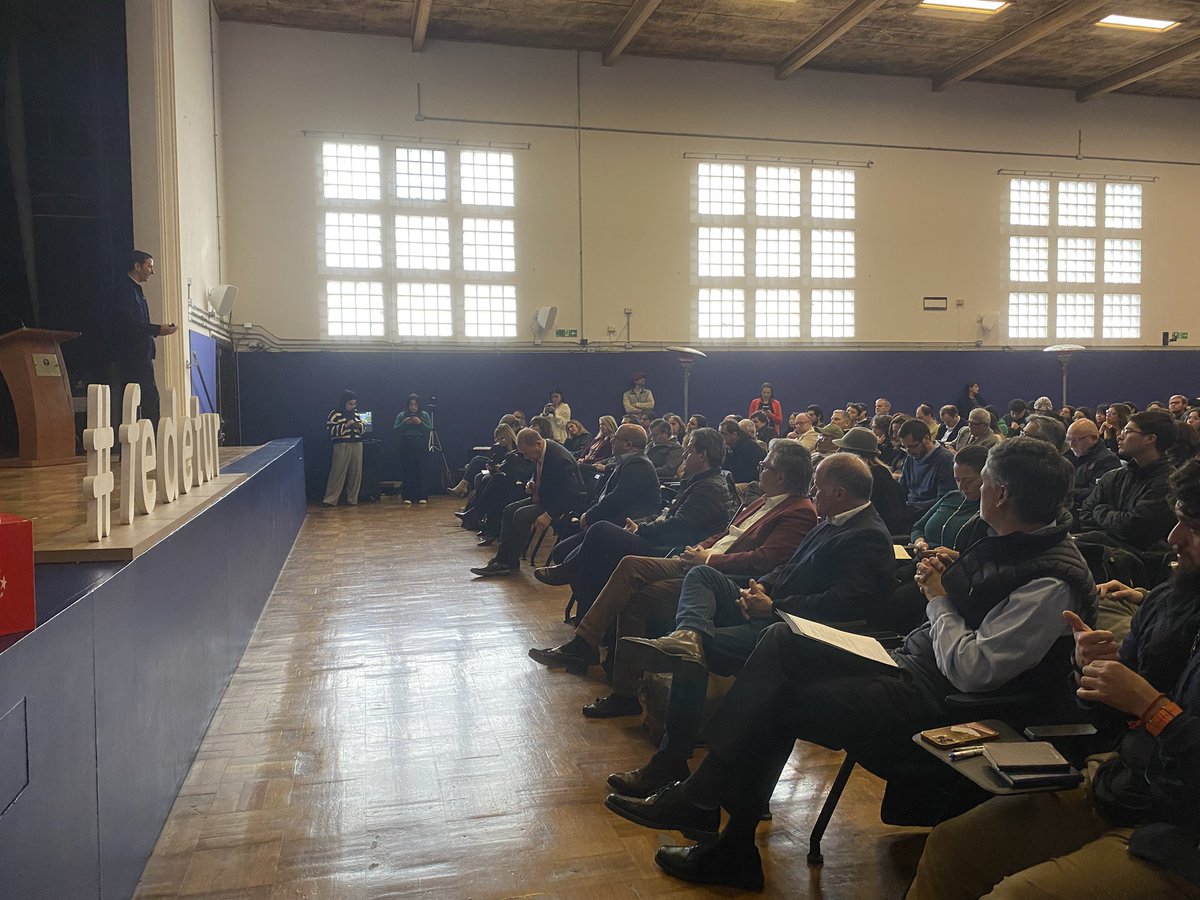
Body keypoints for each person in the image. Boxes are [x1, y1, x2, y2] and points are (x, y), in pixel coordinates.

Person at [605, 438, 1097, 891]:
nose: (977, 489)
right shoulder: (1003, 542)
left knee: (779, 692)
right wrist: (952, 580)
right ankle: (711, 816)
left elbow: (975, 670)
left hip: (949, 703)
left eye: (984, 481)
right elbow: (978, 609)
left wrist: (939, 598)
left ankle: (713, 818)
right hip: (911, 665)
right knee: (782, 642)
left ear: (1002, 494)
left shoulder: (1050, 581)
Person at [906, 459, 1200, 900]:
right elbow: (1107, 719)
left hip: (1182, 829)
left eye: (1192, 527)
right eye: (1178, 521)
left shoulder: (1060, 575)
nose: (1174, 538)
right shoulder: (1169, 601)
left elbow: (1155, 718)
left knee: (1016, 895)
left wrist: (1153, 709)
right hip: (1125, 782)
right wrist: (1092, 671)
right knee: (952, 846)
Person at [603, 454, 892, 796]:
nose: (813, 491)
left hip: (796, 632)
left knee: (693, 656)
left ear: (840, 493)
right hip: (771, 609)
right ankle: (687, 634)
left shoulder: (868, 535)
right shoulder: (831, 521)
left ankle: (671, 760)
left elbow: (844, 604)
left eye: (818, 486)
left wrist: (774, 606)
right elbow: (789, 567)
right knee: (703, 574)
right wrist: (763, 587)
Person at [528, 440, 818, 678]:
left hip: (719, 576)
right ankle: (587, 645)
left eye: (764, 466)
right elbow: (725, 534)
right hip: (695, 557)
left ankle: (612, 672)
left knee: (613, 550)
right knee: (625, 561)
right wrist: (700, 549)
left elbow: (764, 559)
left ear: (781, 476)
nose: (760, 470)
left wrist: (708, 560)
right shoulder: (762, 500)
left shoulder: (799, 510)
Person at [530, 429, 734, 616]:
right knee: (592, 554)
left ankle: (573, 580)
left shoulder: (708, 487)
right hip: (658, 536)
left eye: (688, 450)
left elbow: (678, 527)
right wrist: (640, 525)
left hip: (668, 548)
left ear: (702, 455)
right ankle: (585, 609)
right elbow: (664, 514)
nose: (684, 454)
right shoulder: (698, 481)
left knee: (600, 532)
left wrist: (642, 529)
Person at [470, 428, 585, 577]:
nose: (525, 457)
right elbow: (538, 472)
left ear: (538, 444)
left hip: (559, 504)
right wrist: (532, 481)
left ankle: (510, 562)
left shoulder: (559, 459)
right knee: (509, 510)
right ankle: (502, 559)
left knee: (521, 515)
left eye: (525, 452)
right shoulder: (541, 451)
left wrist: (549, 515)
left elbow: (571, 493)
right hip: (545, 497)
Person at [1078, 409, 1178, 552]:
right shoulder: (1114, 476)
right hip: (1104, 551)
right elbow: (1085, 514)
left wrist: (1100, 510)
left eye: (1128, 431)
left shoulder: (1169, 483)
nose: (1120, 436)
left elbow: (1134, 527)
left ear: (1150, 439)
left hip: (1142, 560)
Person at [109, 250, 176, 429]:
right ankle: (149, 439)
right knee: (144, 400)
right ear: (137, 266)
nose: (152, 271)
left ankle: (150, 438)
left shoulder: (136, 290)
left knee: (149, 399)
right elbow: (126, 322)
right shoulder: (124, 290)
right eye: (149, 266)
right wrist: (156, 329)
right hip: (132, 356)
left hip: (141, 355)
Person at [832, 426, 909, 535]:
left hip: (874, 535)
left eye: (842, 449)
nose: (837, 452)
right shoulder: (873, 473)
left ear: (854, 454)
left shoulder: (875, 476)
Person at [898, 418, 956, 519]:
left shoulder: (946, 460)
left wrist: (910, 507)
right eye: (905, 447)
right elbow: (901, 489)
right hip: (909, 510)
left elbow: (944, 499)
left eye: (913, 446)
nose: (909, 451)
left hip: (929, 514)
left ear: (926, 438)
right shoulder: (911, 458)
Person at [1066, 417, 1122, 514]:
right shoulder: (1069, 455)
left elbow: (1097, 492)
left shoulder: (1108, 460)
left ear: (1093, 438)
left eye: (1075, 440)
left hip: (1086, 511)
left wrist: (1066, 492)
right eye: (1068, 440)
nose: (1071, 445)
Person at [322, 390, 365, 507]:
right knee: (338, 472)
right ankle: (330, 499)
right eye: (350, 404)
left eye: (354, 404)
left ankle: (353, 499)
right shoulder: (335, 414)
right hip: (341, 444)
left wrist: (358, 425)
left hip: (357, 444)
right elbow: (331, 431)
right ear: (344, 402)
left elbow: (363, 428)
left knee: (356, 472)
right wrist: (346, 425)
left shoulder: (356, 413)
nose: (352, 406)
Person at [394, 394, 432, 505]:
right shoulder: (401, 415)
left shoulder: (424, 415)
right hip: (406, 443)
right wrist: (404, 423)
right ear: (407, 405)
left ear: (418, 405)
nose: (413, 407)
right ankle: (408, 496)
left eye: (415, 404)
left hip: (420, 443)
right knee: (408, 470)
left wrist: (420, 423)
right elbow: (395, 429)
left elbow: (429, 429)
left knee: (421, 470)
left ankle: (422, 496)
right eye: (411, 404)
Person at [719, 419, 766, 484]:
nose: (720, 437)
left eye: (724, 434)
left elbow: (751, 473)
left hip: (748, 483)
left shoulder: (750, 448)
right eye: (719, 433)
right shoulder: (728, 448)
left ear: (734, 434)